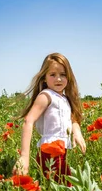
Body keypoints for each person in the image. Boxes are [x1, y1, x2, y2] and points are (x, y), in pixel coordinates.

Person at [12, 53, 86, 182]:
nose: (58, 79)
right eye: (53, 75)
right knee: (60, 189)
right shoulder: (46, 96)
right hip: (49, 152)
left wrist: (77, 132)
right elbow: (28, 121)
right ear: (44, 78)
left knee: (64, 189)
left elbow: (72, 118)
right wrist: (24, 156)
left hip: (62, 151)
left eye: (63, 75)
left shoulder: (64, 98)